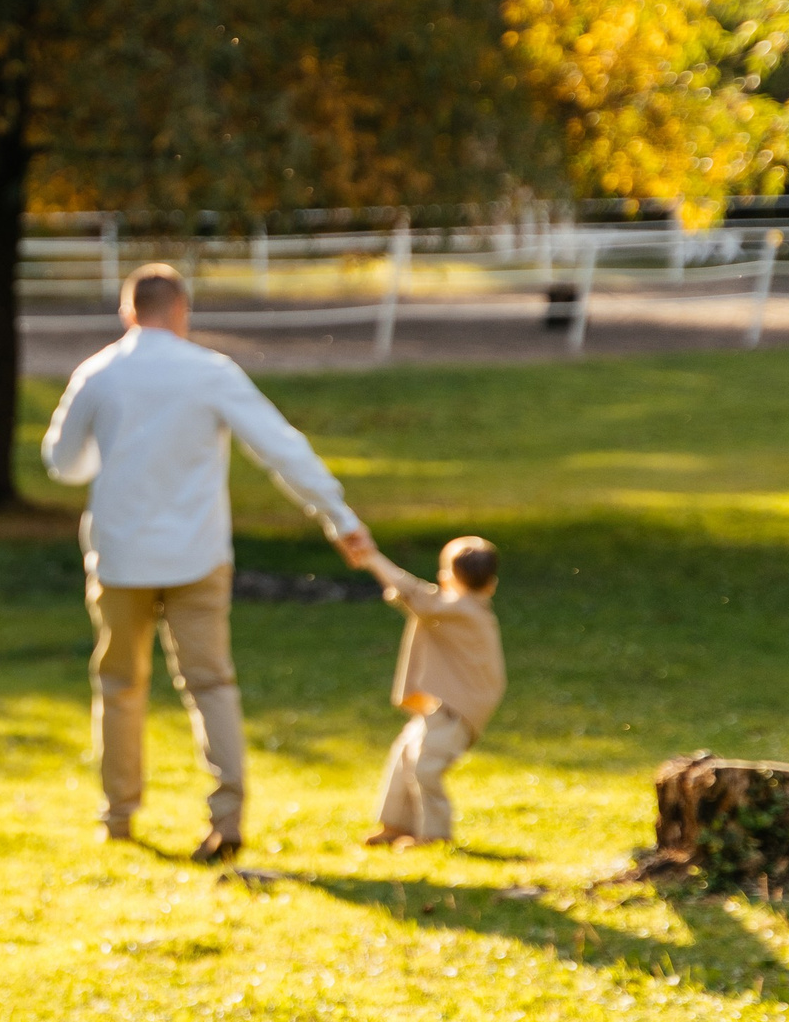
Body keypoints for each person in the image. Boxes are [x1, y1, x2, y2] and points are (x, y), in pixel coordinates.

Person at [40, 263, 372, 859]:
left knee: (119, 685)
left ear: (128, 311)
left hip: (120, 556)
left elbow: (63, 463)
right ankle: (228, 816)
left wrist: (105, 458)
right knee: (211, 684)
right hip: (198, 555)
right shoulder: (210, 371)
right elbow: (280, 448)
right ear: (182, 311)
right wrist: (338, 517)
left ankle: (118, 816)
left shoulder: (98, 372)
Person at [362, 535, 504, 847]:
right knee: (405, 754)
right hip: (444, 704)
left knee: (426, 767)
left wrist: (372, 557)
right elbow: (418, 599)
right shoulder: (459, 609)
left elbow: (412, 593)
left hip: (458, 709)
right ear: (491, 584)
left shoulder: (461, 610)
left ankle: (435, 835)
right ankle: (396, 825)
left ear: (446, 577)